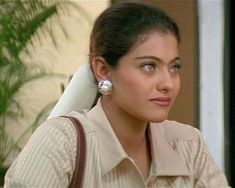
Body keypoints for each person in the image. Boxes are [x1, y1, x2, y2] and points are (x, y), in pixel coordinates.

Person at [4, 1, 229, 187]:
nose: (168, 83)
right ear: (103, 70)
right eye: (149, 66)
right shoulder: (62, 143)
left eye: (174, 67)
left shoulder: (188, 145)